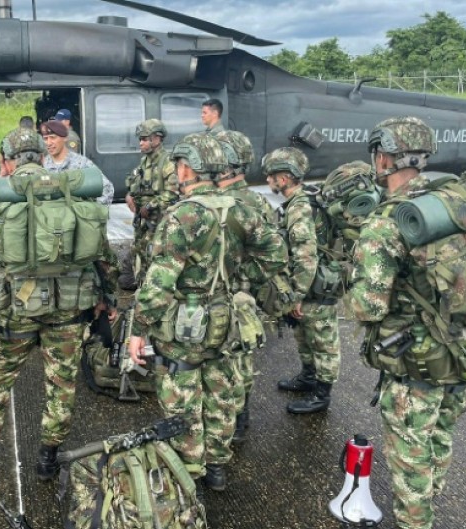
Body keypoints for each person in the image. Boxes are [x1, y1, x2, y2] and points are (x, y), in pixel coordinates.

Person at [350, 116, 466, 529]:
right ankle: (430, 498)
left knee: (410, 451)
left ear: (383, 157)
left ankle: (416, 521)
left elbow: (367, 308)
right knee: (440, 433)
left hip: (418, 364)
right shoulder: (454, 201)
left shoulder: (387, 222)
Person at [128, 133, 286, 493]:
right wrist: (238, 282)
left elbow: (158, 284)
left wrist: (138, 330)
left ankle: (191, 474)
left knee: (183, 394)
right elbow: (276, 255)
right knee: (220, 392)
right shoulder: (243, 208)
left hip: (183, 325)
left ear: (187, 168)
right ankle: (216, 467)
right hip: (225, 319)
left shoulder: (182, 215)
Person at [0, 128, 118, 480]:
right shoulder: (69, 192)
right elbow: (103, 255)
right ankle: (46, 459)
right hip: (68, 311)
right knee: (61, 385)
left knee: (0, 377)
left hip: (16, 312)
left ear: (7, 161)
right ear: (41, 157)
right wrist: (107, 296)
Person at [264, 147, 341, 414]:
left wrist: (296, 295)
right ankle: (309, 377)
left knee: (323, 342)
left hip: (315, 287)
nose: (269, 180)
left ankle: (322, 395)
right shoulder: (304, 198)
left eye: (272, 176)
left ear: (284, 177)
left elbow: (306, 255)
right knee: (305, 336)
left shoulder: (299, 208)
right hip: (309, 283)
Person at [212, 129, 277, 442]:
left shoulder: (214, 202)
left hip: (219, 297)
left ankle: (225, 422)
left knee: (218, 360)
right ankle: (240, 416)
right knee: (243, 358)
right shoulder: (260, 202)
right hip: (246, 297)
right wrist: (249, 279)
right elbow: (276, 253)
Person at [125, 118, 178, 284]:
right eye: (140, 139)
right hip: (143, 221)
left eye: (144, 139)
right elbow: (136, 184)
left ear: (157, 138)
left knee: (155, 256)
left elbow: (173, 192)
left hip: (159, 222)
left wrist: (150, 206)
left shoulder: (167, 162)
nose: (141, 143)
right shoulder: (145, 161)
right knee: (139, 254)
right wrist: (130, 196)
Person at [41, 119, 114, 205]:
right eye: (45, 139)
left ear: (65, 138)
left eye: (53, 137)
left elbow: (107, 188)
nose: (49, 143)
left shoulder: (81, 163)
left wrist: (90, 212)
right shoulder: (42, 166)